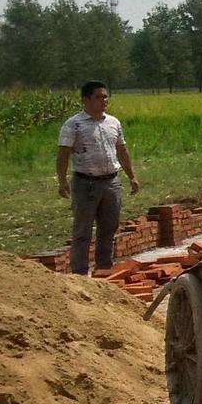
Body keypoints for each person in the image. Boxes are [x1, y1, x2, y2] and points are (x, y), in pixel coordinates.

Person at [55, 81, 139, 275]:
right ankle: (79, 273)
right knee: (82, 231)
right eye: (99, 97)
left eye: (106, 96)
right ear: (86, 100)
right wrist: (62, 181)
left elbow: (122, 150)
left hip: (111, 182)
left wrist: (132, 176)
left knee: (108, 229)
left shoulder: (113, 122)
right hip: (85, 183)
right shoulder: (73, 124)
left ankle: (104, 269)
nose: (104, 100)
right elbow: (63, 154)